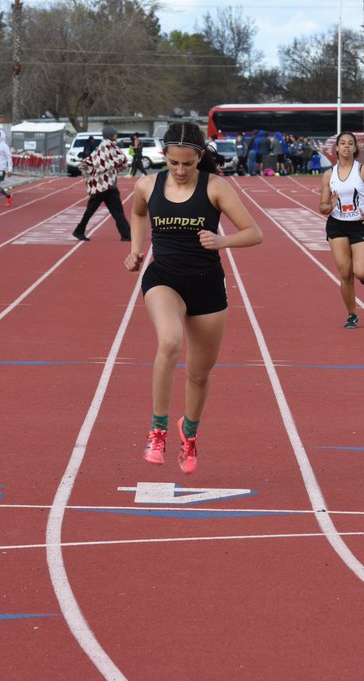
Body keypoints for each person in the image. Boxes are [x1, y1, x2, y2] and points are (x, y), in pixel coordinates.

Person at [125, 121, 262, 473]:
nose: (181, 170)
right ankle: (157, 430)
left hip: (207, 285)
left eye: (188, 163)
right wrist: (136, 249)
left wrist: (222, 241)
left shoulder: (215, 187)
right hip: (163, 279)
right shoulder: (147, 185)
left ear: (200, 157)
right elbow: (138, 213)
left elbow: (254, 233)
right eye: (174, 163)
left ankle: (188, 433)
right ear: (164, 156)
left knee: (199, 374)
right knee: (169, 342)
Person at [319, 131, 364, 329]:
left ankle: (363, 270)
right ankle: (352, 314)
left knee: (361, 273)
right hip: (337, 225)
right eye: (342, 143)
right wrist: (327, 206)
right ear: (337, 148)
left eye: (350, 143)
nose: (346, 146)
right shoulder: (328, 175)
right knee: (345, 274)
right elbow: (322, 206)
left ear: (355, 148)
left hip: (360, 224)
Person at [72, 125, 131, 241]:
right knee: (97, 210)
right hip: (103, 185)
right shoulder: (106, 147)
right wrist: (116, 162)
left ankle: (126, 235)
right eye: (115, 134)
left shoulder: (108, 147)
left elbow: (115, 160)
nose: (116, 136)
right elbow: (115, 160)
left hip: (106, 186)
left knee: (116, 211)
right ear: (110, 135)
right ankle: (79, 231)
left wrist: (115, 162)